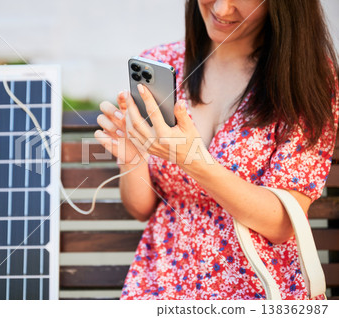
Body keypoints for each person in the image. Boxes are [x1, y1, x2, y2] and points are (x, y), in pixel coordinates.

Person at [94, 0, 339, 300]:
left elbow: (282, 224)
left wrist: (193, 160)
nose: (222, 10)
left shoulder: (304, 77)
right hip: (161, 281)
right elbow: (141, 208)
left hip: (258, 286)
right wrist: (131, 156)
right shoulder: (162, 61)